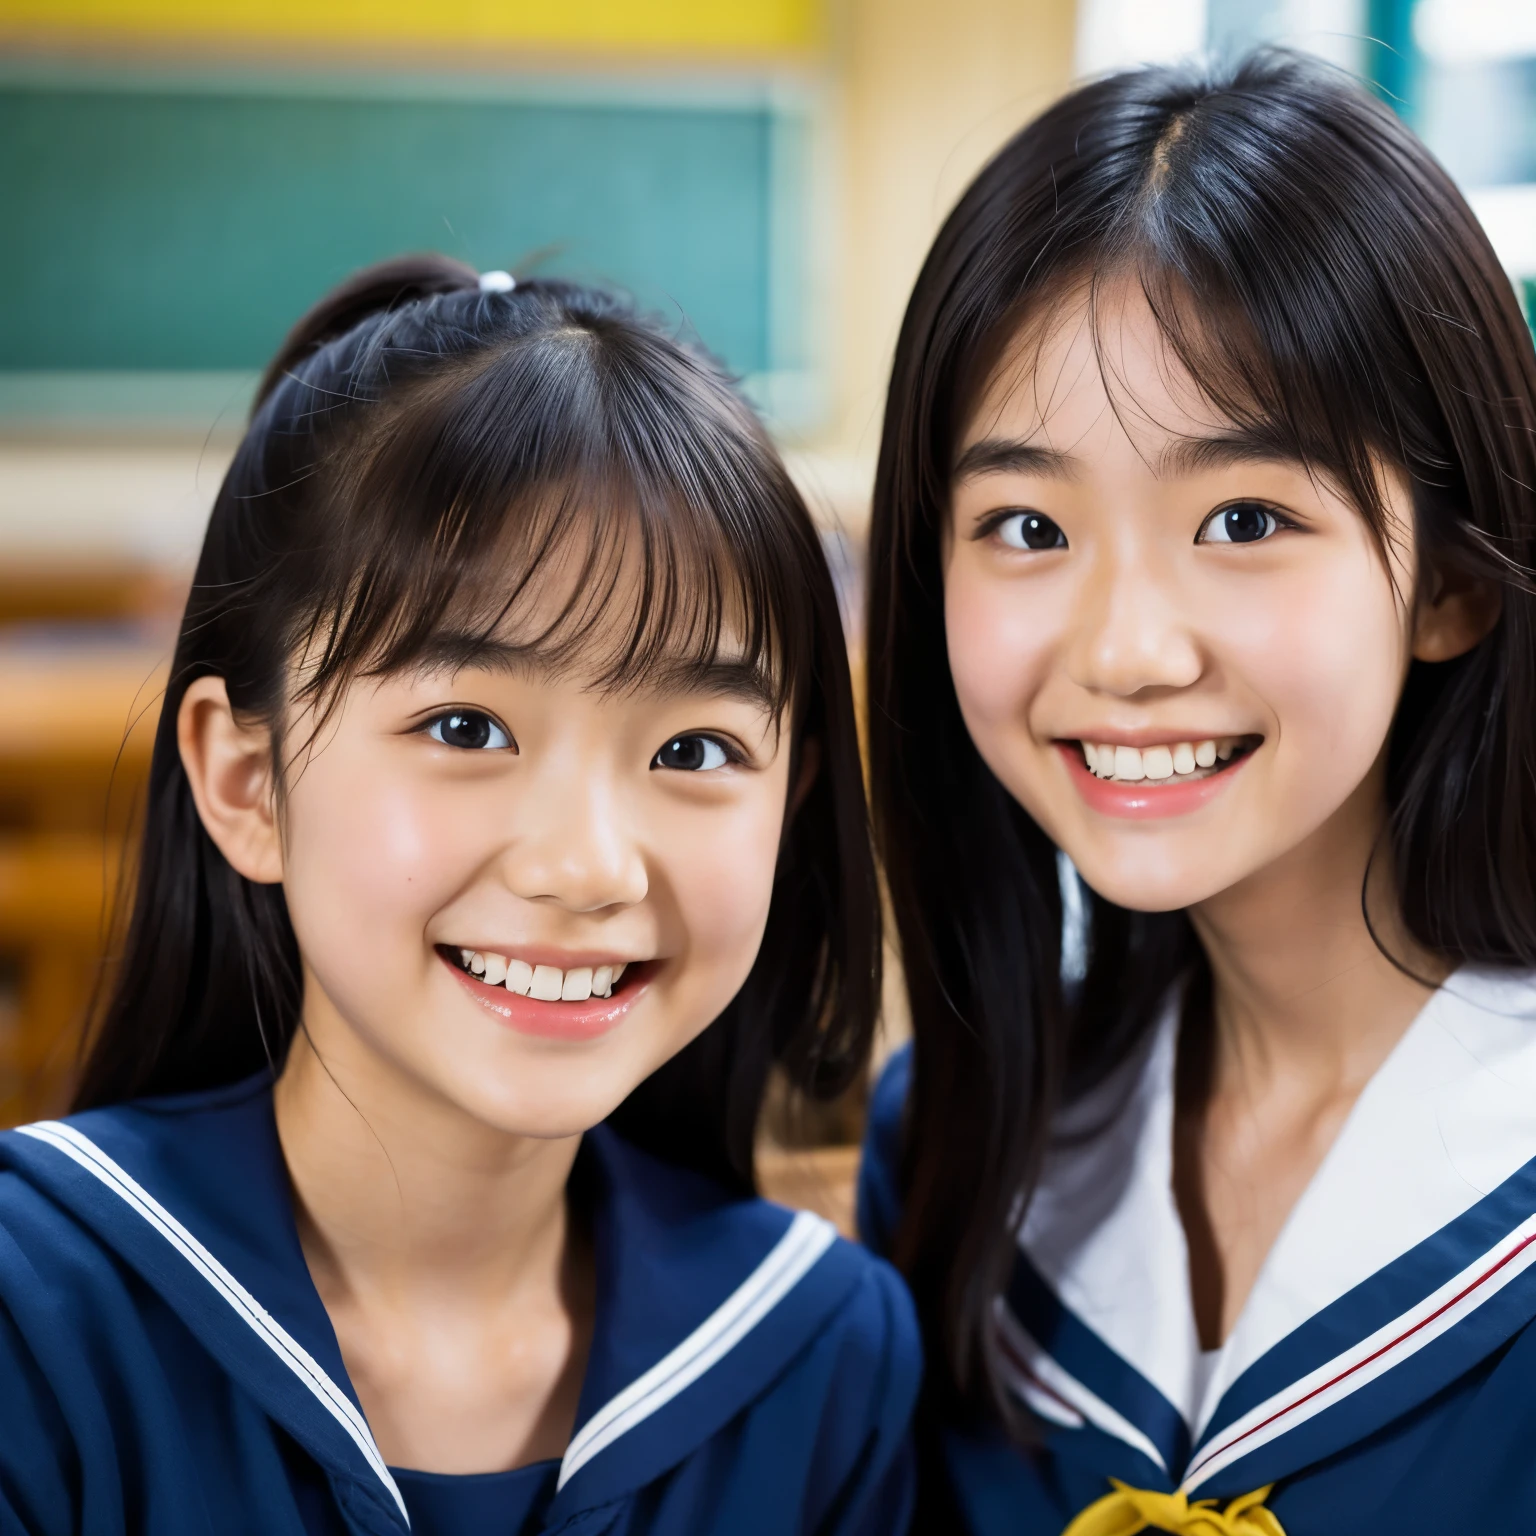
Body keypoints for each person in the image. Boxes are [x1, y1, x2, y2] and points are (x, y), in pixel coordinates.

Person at [0, 256, 919, 1536]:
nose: (588, 866)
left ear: (795, 797)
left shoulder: (819, 1360)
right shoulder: (39, 1314)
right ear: (249, 780)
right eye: (468, 726)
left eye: (695, 752)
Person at [859, 50, 1536, 1535]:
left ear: (1455, 585)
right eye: (1026, 524)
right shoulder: (957, 1152)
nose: (1124, 650)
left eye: (1243, 518)